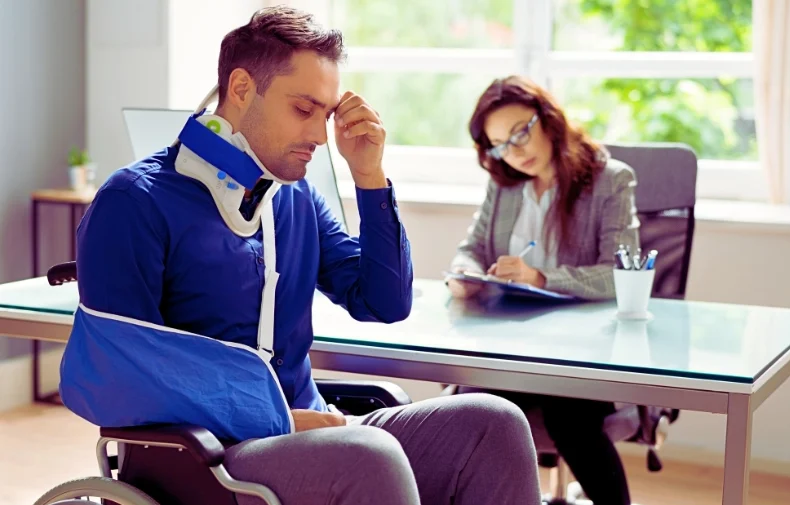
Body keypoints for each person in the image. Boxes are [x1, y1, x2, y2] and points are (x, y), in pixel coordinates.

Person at [58, 6, 542, 505]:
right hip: (205, 457)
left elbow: (383, 302)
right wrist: (281, 419)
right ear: (242, 88)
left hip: (320, 432)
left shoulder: (295, 195)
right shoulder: (134, 201)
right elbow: (121, 376)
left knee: (493, 424)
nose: (318, 136)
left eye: (326, 115)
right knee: (368, 454)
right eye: (303, 109)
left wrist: (370, 177)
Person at [447, 75, 640, 505]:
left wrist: (540, 277)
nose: (514, 153)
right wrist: (464, 272)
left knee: (569, 414)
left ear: (548, 118)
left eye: (520, 133)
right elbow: (472, 248)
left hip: (582, 351)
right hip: (512, 343)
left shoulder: (611, 180)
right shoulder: (505, 184)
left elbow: (618, 273)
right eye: (500, 145)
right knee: (470, 411)